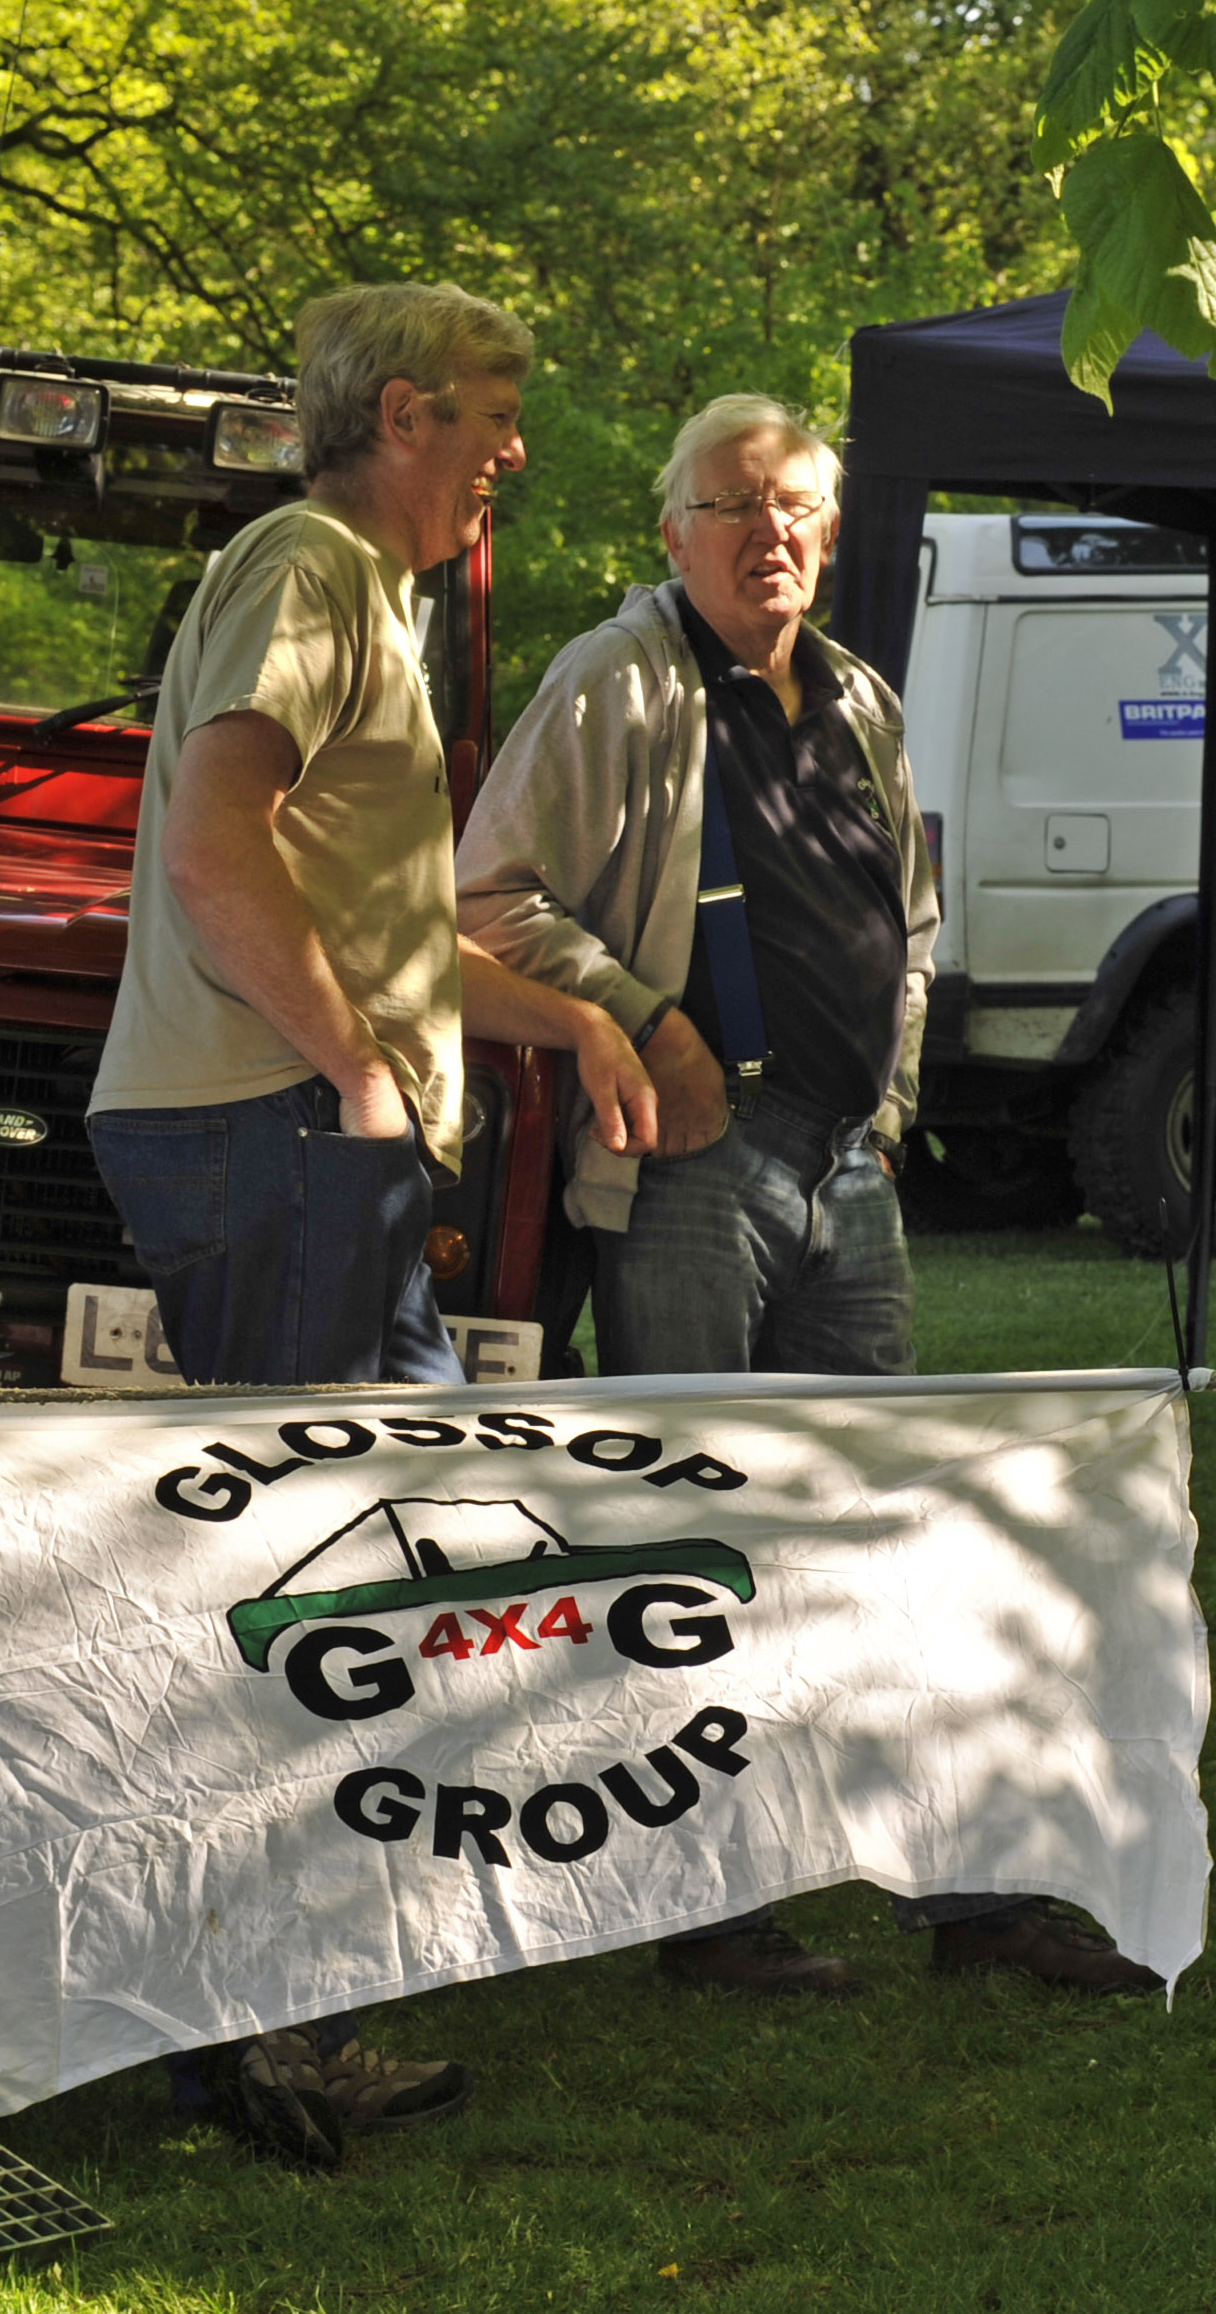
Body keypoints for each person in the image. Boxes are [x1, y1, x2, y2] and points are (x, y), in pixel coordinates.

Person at [457, 392, 1149, 2000]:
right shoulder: (616, 680)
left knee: (890, 1531)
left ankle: (968, 1898)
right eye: (732, 504)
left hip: (843, 1166)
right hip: (688, 1172)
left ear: (828, 533)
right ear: (674, 533)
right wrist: (647, 1020)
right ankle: (705, 1916)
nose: (765, 530)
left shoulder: (855, 696)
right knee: (693, 1543)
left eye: (792, 506)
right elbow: (485, 899)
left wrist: (886, 1114)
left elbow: (909, 922)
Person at [87, 280, 660, 2166]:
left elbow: (386, 938)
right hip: (273, 1131)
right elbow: (212, 848)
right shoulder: (311, 566)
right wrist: (351, 1074)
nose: (515, 451)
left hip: (308, 1130)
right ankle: (233, 2045)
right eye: (493, 413)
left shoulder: (362, 598)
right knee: (302, 1590)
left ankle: (296, 2016)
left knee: (380, 1580)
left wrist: (568, 1021)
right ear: (401, 413)